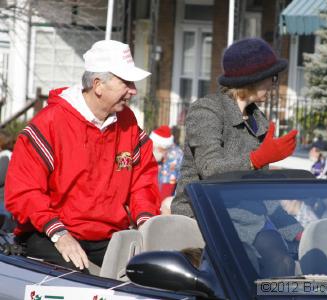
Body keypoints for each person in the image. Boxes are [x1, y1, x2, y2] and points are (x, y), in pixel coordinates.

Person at [5, 40, 161, 272]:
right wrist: (59, 233)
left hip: (108, 236)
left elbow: (142, 183)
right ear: (98, 85)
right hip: (50, 233)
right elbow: (24, 192)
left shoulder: (128, 124)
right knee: (80, 278)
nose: (133, 90)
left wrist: (146, 224)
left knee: (150, 273)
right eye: (126, 82)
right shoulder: (50, 123)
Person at [171, 37, 297, 217]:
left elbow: (261, 192)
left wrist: (295, 232)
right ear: (253, 79)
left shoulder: (258, 120)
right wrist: (255, 160)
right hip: (203, 216)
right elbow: (210, 168)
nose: (274, 84)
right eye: (273, 77)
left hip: (246, 219)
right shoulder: (206, 110)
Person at [149, 125, 183, 200]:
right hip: (156, 183)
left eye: (156, 148)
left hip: (168, 184)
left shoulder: (176, 155)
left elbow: (180, 178)